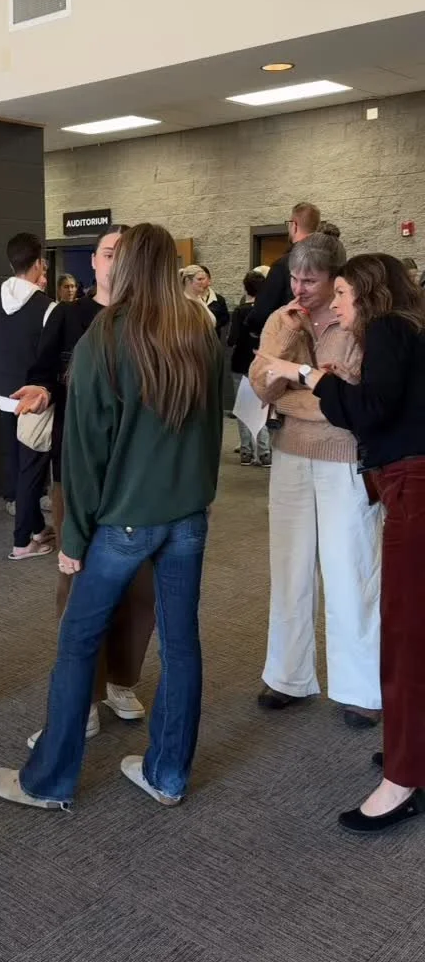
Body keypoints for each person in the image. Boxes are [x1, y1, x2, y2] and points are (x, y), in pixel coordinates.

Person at [0, 223, 224, 810]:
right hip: (188, 515)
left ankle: (48, 781)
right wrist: (202, 493)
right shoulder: (198, 327)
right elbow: (214, 423)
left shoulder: (109, 334)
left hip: (124, 522)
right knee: (181, 642)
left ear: (126, 266)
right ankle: (167, 774)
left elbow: (85, 451)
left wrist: (73, 534)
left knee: (77, 640)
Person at [263, 255, 425, 832]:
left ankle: (403, 779)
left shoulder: (386, 330)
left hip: (412, 487)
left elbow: (367, 413)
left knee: (404, 636)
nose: (335, 305)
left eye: (342, 294)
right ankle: (411, 752)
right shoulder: (404, 328)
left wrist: (310, 376)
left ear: (368, 294)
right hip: (404, 481)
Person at [11, 226, 155, 745]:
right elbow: (43, 372)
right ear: (93, 262)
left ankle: (120, 680)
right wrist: (43, 392)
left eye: (124, 253)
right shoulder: (69, 316)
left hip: (138, 475)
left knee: (139, 586)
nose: (115, 261)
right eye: (108, 253)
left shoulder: (149, 321)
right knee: (78, 581)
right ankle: (84, 696)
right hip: (78, 468)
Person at [249, 234, 383, 729]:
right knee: (289, 566)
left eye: (311, 279)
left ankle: (362, 689)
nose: (299, 288)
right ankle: (287, 676)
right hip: (290, 455)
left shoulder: (359, 321)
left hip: (345, 458)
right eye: (294, 278)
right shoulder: (281, 319)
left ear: (336, 278)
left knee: (352, 569)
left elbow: (355, 404)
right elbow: (261, 386)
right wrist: (290, 355)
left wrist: (292, 393)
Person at [0, 233, 55, 558]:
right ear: (39, 262)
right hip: (32, 397)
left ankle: (37, 527)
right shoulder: (47, 307)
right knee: (32, 469)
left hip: (1, 392)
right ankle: (22, 541)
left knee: (16, 462)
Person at [246, 202, 321, 336]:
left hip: (293, 335)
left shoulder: (284, 264)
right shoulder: (329, 260)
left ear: (294, 225)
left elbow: (262, 313)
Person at [228, 270, 271, 466]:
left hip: (241, 364)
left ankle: (246, 451)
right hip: (263, 364)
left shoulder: (240, 311)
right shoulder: (271, 311)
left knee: (244, 409)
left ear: (246, 289)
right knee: (263, 408)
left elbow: (232, 339)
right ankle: (264, 452)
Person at [199, 265, 230, 334]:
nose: (200, 282)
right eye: (198, 279)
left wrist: (214, 324)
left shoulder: (219, 299)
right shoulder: (188, 298)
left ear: (209, 280)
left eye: (202, 278)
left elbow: (225, 318)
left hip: (214, 335)